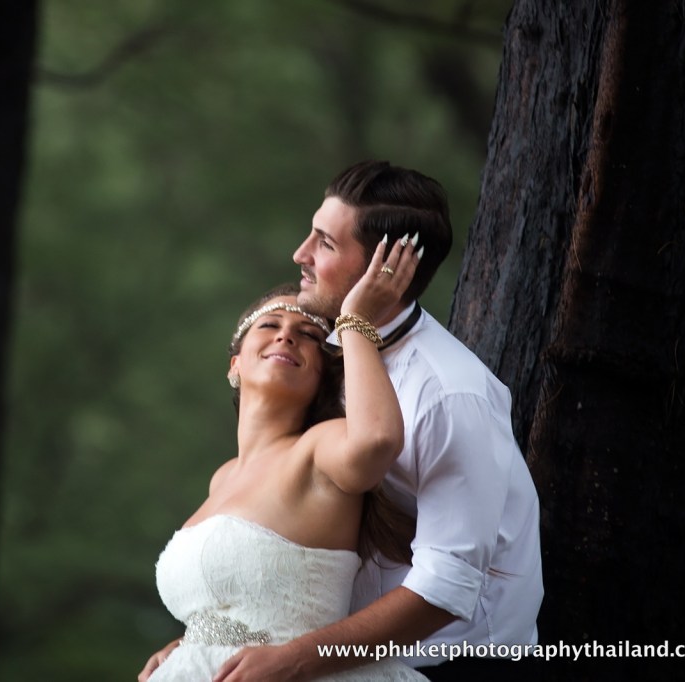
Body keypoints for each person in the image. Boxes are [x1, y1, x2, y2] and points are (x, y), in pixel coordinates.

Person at [210, 160, 544, 681]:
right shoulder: (326, 352)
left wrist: (295, 661)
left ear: (384, 270)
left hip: (444, 664)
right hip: (335, 652)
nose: (300, 255)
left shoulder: (448, 395)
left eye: (324, 243)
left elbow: (446, 590)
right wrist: (204, 641)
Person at [138, 238, 429, 681]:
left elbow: (377, 443)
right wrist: (189, 646)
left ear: (321, 373)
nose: (286, 334)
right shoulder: (223, 478)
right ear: (235, 365)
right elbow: (232, 602)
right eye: (269, 324)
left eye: (310, 335)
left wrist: (354, 323)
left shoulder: (318, 449)